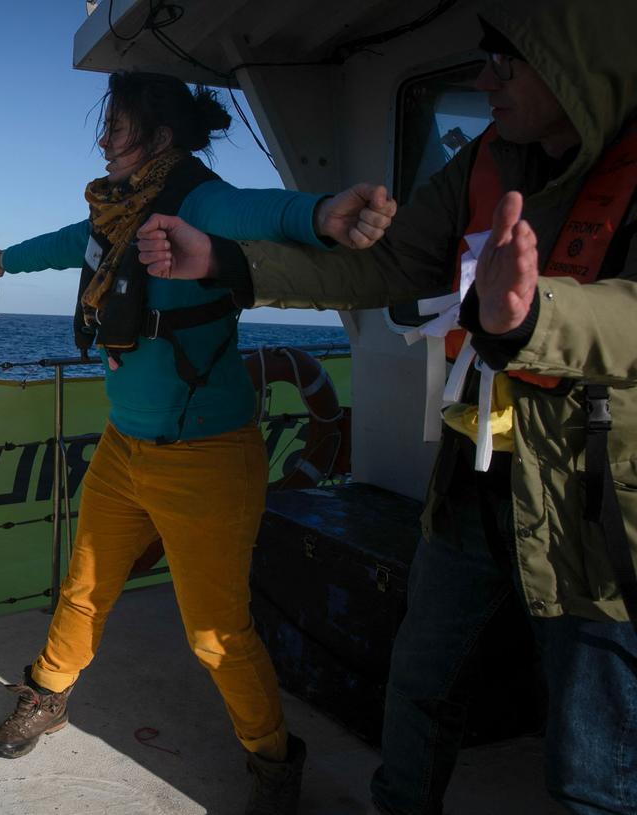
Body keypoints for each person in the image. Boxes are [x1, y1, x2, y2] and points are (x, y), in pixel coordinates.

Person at [136, 2, 637, 811]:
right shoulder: (486, 159)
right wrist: (228, 260)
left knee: (592, 754)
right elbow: (390, 266)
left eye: (506, 64)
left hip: (594, 497)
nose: (484, 81)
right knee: (417, 686)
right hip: (473, 474)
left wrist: (537, 315)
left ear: (576, 68)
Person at [0, 72, 394, 814]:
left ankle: (273, 759)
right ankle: (47, 694)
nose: (103, 141)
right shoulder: (114, 216)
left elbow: (264, 210)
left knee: (216, 633)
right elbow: (63, 242)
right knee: (83, 588)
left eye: (118, 127)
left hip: (206, 457)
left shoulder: (200, 201)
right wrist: (5, 259)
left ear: (159, 139)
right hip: (124, 446)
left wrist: (326, 211)